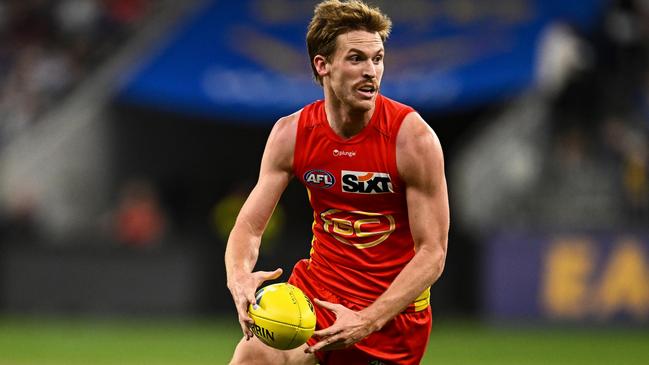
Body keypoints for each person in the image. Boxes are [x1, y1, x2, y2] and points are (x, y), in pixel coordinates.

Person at [225, 0, 449, 364]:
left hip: (390, 318)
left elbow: (433, 254)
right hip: (317, 294)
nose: (371, 71)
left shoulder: (413, 140)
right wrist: (239, 279)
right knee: (251, 355)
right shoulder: (291, 134)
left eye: (377, 59)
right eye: (357, 58)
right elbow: (248, 226)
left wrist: (368, 319)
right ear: (322, 65)